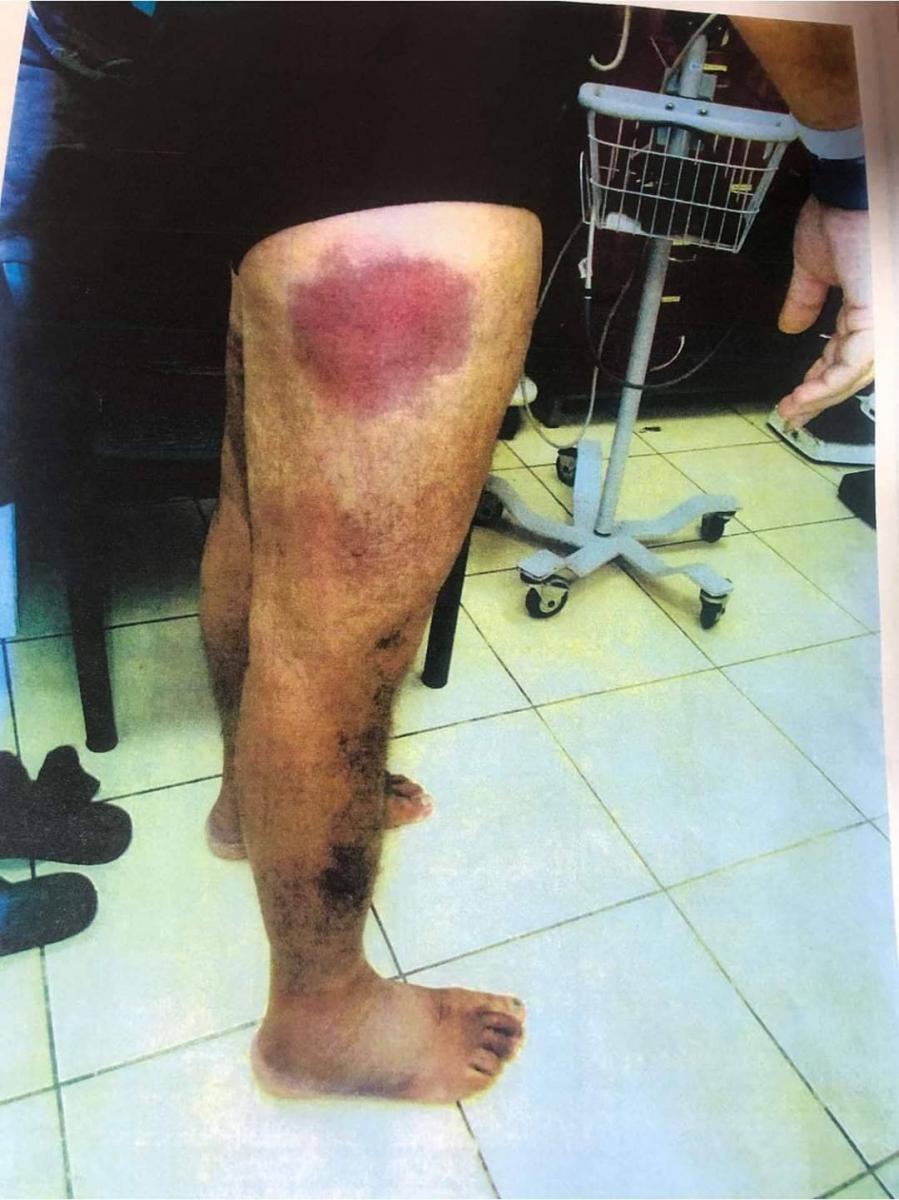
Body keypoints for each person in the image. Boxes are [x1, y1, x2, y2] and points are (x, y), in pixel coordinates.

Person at [1, 4, 873, 1103]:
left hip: (253, 64)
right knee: (346, 628)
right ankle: (321, 1018)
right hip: (425, 88)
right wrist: (852, 173)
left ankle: (248, 807)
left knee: (260, 519)